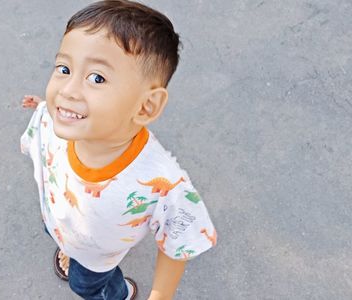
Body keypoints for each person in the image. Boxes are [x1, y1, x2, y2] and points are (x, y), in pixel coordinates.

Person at [19, 1, 217, 299]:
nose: (67, 91)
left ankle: (119, 292)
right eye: (64, 68)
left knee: (85, 285)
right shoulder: (57, 122)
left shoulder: (162, 182)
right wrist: (46, 106)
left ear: (146, 106)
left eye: (96, 78)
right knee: (55, 230)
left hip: (99, 255)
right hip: (58, 218)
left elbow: (179, 240)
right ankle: (68, 247)